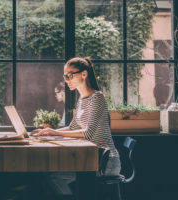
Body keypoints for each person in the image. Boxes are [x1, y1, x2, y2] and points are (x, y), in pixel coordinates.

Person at [31, 57, 121, 194]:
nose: (66, 80)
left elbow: (88, 133)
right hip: (91, 158)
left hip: (106, 162)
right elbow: (73, 127)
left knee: (54, 177)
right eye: (65, 76)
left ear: (84, 74)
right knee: (50, 175)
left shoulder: (97, 97)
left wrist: (55, 133)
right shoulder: (81, 99)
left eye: (70, 75)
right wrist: (49, 131)